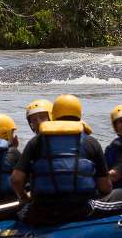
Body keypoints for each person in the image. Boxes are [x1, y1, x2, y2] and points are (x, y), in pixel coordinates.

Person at [10, 93, 110, 226]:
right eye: (34, 120)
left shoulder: (35, 142)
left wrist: (24, 197)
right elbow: (106, 188)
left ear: (54, 115)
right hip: (79, 211)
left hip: (42, 213)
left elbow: (16, 180)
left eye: (42, 117)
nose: (38, 122)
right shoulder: (91, 142)